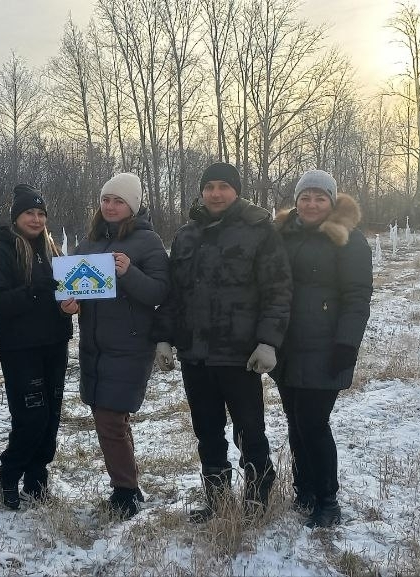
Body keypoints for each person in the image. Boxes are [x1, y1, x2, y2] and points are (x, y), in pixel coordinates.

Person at [153, 162, 292, 522]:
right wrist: (164, 338)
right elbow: (173, 293)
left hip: (240, 353)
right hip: (195, 355)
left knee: (249, 430)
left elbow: (278, 291)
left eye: (223, 187)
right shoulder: (186, 235)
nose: (215, 194)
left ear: (236, 191)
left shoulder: (259, 230)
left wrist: (268, 342)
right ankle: (217, 500)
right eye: (209, 187)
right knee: (207, 432)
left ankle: (256, 499)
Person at [270, 169, 372, 528]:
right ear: (296, 201)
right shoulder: (282, 235)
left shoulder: (348, 240)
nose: (311, 204)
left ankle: (328, 500)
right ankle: (305, 490)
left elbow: (357, 297)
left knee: (313, 423)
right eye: (305, 197)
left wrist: (347, 343)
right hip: (286, 345)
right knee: (295, 422)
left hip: (326, 346)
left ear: (332, 201)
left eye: (320, 198)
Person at [66, 173, 169, 519]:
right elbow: (74, 286)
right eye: (106, 200)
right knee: (109, 416)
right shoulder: (90, 241)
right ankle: (128, 486)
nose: (110, 207)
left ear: (133, 206)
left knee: (110, 417)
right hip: (94, 344)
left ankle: (125, 492)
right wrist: (68, 304)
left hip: (130, 344)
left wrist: (129, 273)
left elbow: (160, 291)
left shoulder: (148, 241)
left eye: (119, 201)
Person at [0, 183, 74, 511]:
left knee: (51, 418)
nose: (36, 219)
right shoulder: (0, 253)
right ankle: (9, 475)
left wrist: (69, 306)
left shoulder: (52, 251)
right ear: (16, 217)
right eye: (29, 213)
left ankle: (37, 480)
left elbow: (65, 295)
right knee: (32, 417)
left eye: (40, 213)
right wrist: (35, 290)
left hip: (55, 344)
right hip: (21, 349)